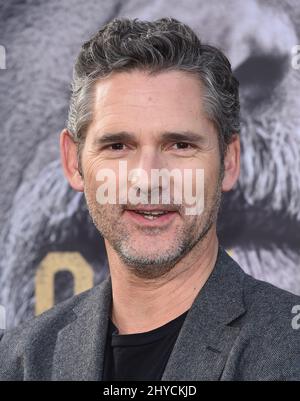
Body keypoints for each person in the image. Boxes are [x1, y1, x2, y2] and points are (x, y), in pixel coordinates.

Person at [0, 17, 299, 381]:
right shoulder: (17, 362)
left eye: (180, 145)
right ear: (73, 161)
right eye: (118, 146)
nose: (148, 178)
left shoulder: (289, 350)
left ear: (229, 160)